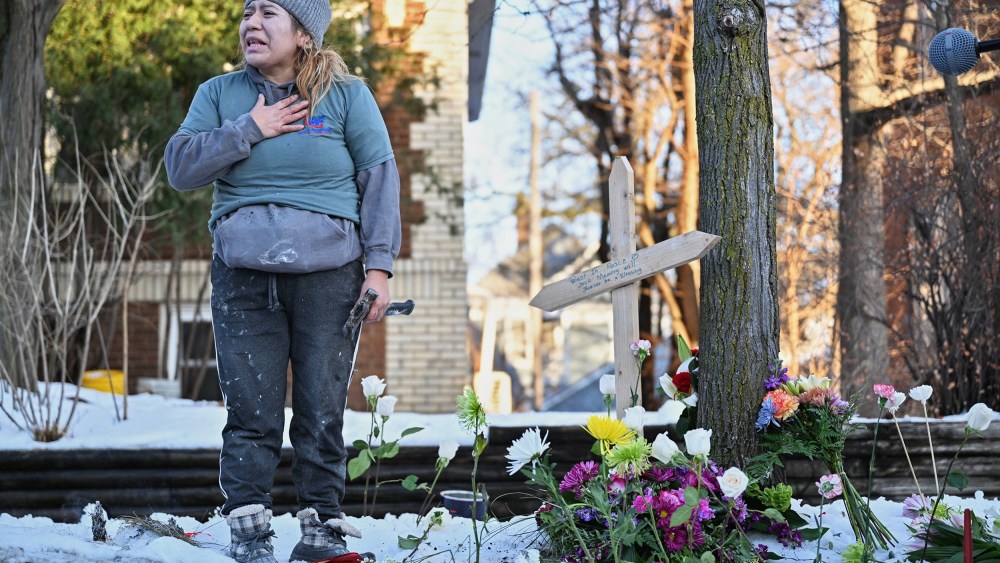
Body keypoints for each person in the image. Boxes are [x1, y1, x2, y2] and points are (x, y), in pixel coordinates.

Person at [164, 0, 400, 560]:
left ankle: (321, 531)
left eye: (269, 12)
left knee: (322, 409)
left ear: (302, 32)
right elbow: (180, 167)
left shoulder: (346, 95)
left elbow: (379, 178)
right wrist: (249, 128)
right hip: (243, 277)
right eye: (247, 12)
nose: (251, 24)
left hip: (329, 277)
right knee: (251, 410)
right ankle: (250, 530)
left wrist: (380, 268)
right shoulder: (220, 95)